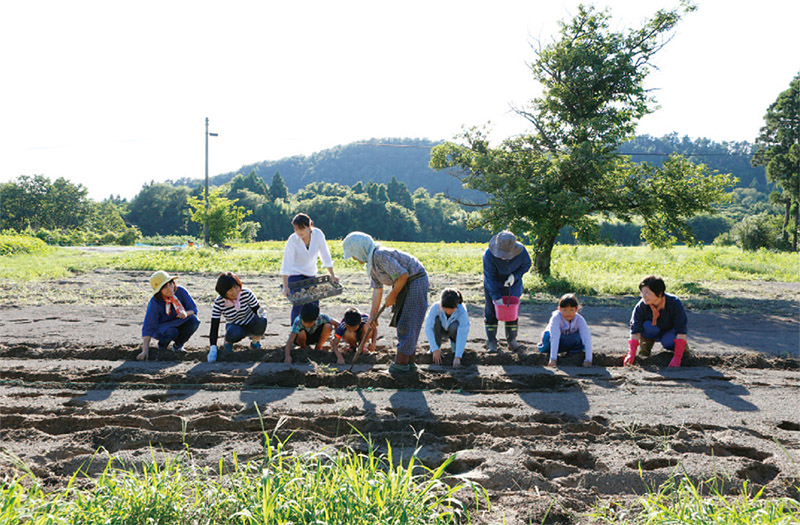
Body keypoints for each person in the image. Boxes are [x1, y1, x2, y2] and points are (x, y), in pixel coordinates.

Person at [342, 231, 429, 375]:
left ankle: (400, 366)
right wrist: (372, 318)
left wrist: (393, 295)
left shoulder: (380, 255)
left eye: (354, 254)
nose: (355, 259)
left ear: (360, 249)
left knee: (407, 323)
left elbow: (403, 275)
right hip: (404, 285)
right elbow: (377, 290)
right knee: (403, 322)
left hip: (415, 282)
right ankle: (409, 364)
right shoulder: (372, 265)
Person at [280, 213, 337, 323]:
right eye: (296, 229)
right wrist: (285, 286)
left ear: (309, 226)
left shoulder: (318, 234)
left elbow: (325, 255)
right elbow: (286, 263)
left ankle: (312, 333)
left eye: (302, 228)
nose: (299, 232)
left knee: (314, 306)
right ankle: (295, 333)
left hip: (310, 274)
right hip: (295, 275)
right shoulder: (292, 240)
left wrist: (333, 276)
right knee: (298, 304)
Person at [624, 275, 688, 367]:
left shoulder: (674, 303)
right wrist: (631, 353)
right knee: (647, 327)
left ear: (659, 293)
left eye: (647, 293)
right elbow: (635, 330)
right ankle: (644, 351)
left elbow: (681, 330)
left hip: (670, 332)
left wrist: (677, 357)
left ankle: (683, 353)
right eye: (642, 293)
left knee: (668, 341)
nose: (643, 296)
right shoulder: (641, 306)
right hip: (653, 331)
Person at [483, 231, 531, 352]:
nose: (503, 257)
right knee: (491, 311)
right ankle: (491, 341)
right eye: (501, 254)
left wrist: (515, 276)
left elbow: (526, 265)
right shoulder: (488, 255)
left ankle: (512, 340)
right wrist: (496, 297)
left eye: (506, 254)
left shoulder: (521, 252)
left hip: (512, 285)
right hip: (493, 284)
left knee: (511, 313)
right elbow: (490, 278)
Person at [139, 271, 200, 361]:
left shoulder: (181, 292)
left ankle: (178, 346)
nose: (170, 289)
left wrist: (185, 313)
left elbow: (193, 310)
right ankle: (162, 347)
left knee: (194, 321)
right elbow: (148, 326)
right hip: (163, 328)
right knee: (172, 331)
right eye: (164, 287)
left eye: (170, 284)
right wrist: (145, 350)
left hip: (180, 322)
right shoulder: (155, 303)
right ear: (159, 291)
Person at [207, 272, 267, 363]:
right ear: (223, 292)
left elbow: (257, 310)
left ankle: (255, 342)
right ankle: (228, 343)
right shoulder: (219, 302)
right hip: (235, 326)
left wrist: (261, 313)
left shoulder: (246, 293)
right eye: (230, 290)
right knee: (233, 333)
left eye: (236, 287)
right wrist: (213, 348)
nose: (235, 292)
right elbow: (214, 326)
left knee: (262, 320)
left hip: (250, 322)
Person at [537, 293, 593, 367]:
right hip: (551, 342)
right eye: (565, 310)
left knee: (579, 338)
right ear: (559, 309)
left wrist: (588, 359)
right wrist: (553, 359)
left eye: (571, 310)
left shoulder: (579, 319)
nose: (568, 313)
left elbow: (587, 338)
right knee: (547, 335)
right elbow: (555, 337)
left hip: (567, 341)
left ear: (576, 309)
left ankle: (571, 355)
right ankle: (550, 352)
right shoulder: (556, 318)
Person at [424, 288, 470, 367]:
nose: (448, 311)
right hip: (440, 329)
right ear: (441, 304)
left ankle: (455, 349)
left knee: (455, 325)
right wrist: (434, 348)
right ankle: (434, 349)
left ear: (456, 305)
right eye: (446, 309)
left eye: (451, 309)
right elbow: (428, 328)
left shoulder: (462, 311)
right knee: (436, 321)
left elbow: (463, 333)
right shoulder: (435, 307)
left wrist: (458, 356)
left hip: (453, 330)